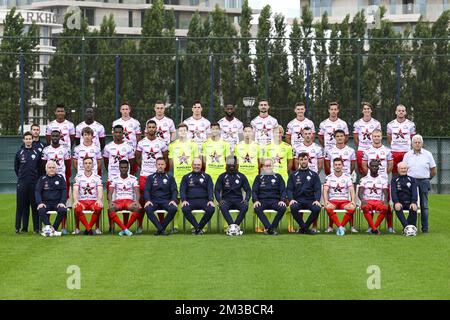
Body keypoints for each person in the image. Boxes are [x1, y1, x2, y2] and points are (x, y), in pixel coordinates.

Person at [135, 120, 168, 232]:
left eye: (153, 127)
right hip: (144, 175)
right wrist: (144, 166)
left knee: (160, 197)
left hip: (157, 175)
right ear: (146, 129)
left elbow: (165, 158)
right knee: (143, 200)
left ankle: (161, 225)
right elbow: (137, 158)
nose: (151, 129)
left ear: (156, 129)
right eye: (149, 127)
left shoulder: (161, 142)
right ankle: (139, 225)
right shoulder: (141, 143)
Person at [103, 125, 135, 232]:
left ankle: (125, 226)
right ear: (113, 133)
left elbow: (131, 162)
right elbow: (106, 162)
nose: (117, 134)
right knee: (111, 202)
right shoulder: (108, 147)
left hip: (125, 179)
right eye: (115, 132)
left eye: (119, 132)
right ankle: (111, 226)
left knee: (127, 199)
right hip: (112, 178)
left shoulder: (128, 147)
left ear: (123, 134)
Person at [72, 126, 103, 234]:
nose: (87, 137)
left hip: (93, 175)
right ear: (82, 136)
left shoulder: (96, 148)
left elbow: (99, 163)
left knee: (98, 205)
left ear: (92, 136)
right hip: (81, 176)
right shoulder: (77, 149)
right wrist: (81, 172)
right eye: (85, 134)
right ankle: (79, 228)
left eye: (89, 134)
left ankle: (94, 227)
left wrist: (92, 171)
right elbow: (75, 162)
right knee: (76, 204)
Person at [403, 134, 437, 233]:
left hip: (424, 181)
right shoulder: (407, 155)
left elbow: (434, 170)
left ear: (422, 143)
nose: (417, 144)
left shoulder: (428, 154)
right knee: (410, 204)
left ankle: (425, 228)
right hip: (410, 182)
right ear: (412, 143)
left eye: (419, 142)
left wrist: (427, 178)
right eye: (415, 142)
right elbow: (403, 168)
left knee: (424, 205)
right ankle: (410, 226)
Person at [287, 152, 322, 235]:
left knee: (317, 208)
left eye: (305, 159)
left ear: (308, 160)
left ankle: (303, 228)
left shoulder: (314, 175)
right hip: (298, 200)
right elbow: (289, 189)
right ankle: (305, 228)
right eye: (301, 159)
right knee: (293, 207)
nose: (303, 161)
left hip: (310, 200)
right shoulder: (293, 175)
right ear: (298, 161)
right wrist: (291, 199)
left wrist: (317, 200)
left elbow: (317, 189)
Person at [180, 157, 215, 235]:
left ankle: (198, 228)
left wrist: (211, 200)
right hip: (190, 201)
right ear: (192, 165)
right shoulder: (186, 177)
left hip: (204, 200)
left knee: (211, 209)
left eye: (198, 165)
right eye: (195, 164)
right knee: (185, 209)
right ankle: (198, 228)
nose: (196, 166)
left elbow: (210, 189)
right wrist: (184, 200)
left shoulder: (207, 177)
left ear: (201, 165)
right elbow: (182, 190)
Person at [14, 132, 41, 234]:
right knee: (21, 206)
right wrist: (22, 178)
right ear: (23, 140)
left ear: (32, 140)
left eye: (30, 139)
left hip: (33, 184)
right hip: (22, 183)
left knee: (34, 206)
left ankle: (36, 228)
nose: (28, 140)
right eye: (27, 139)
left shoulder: (37, 152)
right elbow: (16, 168)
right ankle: (19, 227)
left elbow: (39, 167)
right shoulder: (19, 152)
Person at [252, 158, 287, 235]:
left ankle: (271, 228)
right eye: (266, 166)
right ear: (263, 167)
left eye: (269, 165)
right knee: (257, 208)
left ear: (272, 166)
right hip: (262, 201)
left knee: (283, 207)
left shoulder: (278, 177)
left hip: (275, 201)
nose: (268, 167)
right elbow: (254, 191)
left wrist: (282, 200)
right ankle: (270, 228)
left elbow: (283, 190)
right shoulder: (258, 177)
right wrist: (256, 200)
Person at [143, 158, 178, 236]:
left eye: (162, 164)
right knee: (147, 208)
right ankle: (161, 229)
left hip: (166, 201)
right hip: (154, 201)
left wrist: (173, 200)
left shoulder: (170, 177)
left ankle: (160, 229)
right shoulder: (150, 178)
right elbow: (147, 190)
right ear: (156, 165)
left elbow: (174, 190)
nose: (160, 166)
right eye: (158, 164)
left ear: (165, 165)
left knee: (174, 208)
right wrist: (148, 200)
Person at [215, 156, 251, 229]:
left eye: (233, 163)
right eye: (229, 163)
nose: (232, 165)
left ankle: (234, 226)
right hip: (226, 200)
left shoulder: (241, 176)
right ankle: (233, 226)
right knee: (222, 206)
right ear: (226, 164)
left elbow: (248, 190)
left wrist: (246, 199)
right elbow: (216, 190)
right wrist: (219, 200)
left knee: (245, 207)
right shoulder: (222, 176)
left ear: (236, 164)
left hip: (238, 200)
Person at [323, 158, 356, 236]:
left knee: (352, 207)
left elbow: (351, 189)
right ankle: (340, 227)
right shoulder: (329, 177)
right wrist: (325, 201)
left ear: (342, 166)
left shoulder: (347, 177)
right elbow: (325, 190)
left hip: (344, 201)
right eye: (336, 165)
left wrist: (353, 201)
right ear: (333, 166)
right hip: (333, 201)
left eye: (339, 165)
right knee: (328, 207)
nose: (337, 166)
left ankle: (340, 226)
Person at [107, 160, 140, 236]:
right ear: (119, 168)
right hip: (118, 201)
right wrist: (110, 201)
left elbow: (137, 192)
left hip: (129, 201)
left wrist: (137, 201)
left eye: (125, 167)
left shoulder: (133, 178)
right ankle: (125, 229)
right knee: (110, 208)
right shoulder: (114, 179)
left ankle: (124, 229)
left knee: (137, 208)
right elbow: (110, 192)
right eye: (122, 167)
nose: (124, 169)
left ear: (128, 168)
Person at [72, 157, 103, 235]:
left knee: (98, 207)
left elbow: (100, 190)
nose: (88, 165)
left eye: (89, 163)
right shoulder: (78, 177)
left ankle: (95, 228)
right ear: (83, 165)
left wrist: (99, 200)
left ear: (93, 165)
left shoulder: (97, 178)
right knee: (77, 208)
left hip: (93, 201)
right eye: (86, 163)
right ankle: (87, 229)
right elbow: (75, 190)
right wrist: (75, 200)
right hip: (82, 201)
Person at [35, 161, 67, 234]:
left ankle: (54, 228)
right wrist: (40, 203)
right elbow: (37, 191)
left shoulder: (60, 178)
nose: (51, 169)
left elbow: (64, 191)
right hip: (46, 203)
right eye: (49, 168)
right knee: (41, 209)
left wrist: (62, 202)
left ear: (56, 169)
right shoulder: (42, 179)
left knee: (62, 210)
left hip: (57, 203)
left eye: (53, 167)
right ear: (46, 169)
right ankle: (49, 226)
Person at [358, 160, 389, 235]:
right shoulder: (364, 179)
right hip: (367, 200)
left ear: (378, 168)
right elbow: (360, 192)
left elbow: (386, 192)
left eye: (376, 166)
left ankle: (373, 228)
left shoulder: (383, 179)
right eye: (372, 166)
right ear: (369, 167)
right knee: (365, 207)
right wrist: (362, 199)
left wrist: (385, 201)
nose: (374, 167)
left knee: (385, 208)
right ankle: (375, 229)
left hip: (378, 201)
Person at [353, 102, 381, 175]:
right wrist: (360, 147)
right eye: (364, 109)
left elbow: (378, 136)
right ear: (362, 111)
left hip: (373, 150)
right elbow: (356, 138)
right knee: (362, 172)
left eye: (368, 109)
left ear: (371, 110)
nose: (366, 110)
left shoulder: (376, 123)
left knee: (374, 170)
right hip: (361, 149)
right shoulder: (357, 123)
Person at [387, 104, 416, 175]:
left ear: (405, 112)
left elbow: (413, 138)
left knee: (407, 172)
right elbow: (389, 137)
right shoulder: (390, 124)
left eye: (403, 111)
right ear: (396, 112)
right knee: (395, 173)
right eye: (399, 110)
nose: (401, 112)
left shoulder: (411, 124)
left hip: (407, 151)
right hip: (394, 151)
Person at [233, 123, 263, 189]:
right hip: (241, 175)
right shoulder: (237, 146)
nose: (247, 133)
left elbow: (260, 162)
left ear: (252, 133)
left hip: (253, 175)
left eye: (249, 131)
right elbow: (236, 162)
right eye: (245, 131)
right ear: (243, 133)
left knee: (253, 195)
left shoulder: (258, 146)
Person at [391, 162, 418, 231]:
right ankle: (408, 227)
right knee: (397, 207)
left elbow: (415, 192)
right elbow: (393, 192)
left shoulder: (412, 179)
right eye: (401, 168)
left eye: (405, 168)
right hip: (399, 202)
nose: (403, 170)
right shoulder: (394, 180)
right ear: (398, 169)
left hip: (410, 202)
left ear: (407, 169)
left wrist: (414, 202)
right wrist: (396, 202)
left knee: (413, 208)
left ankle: (407, 228)